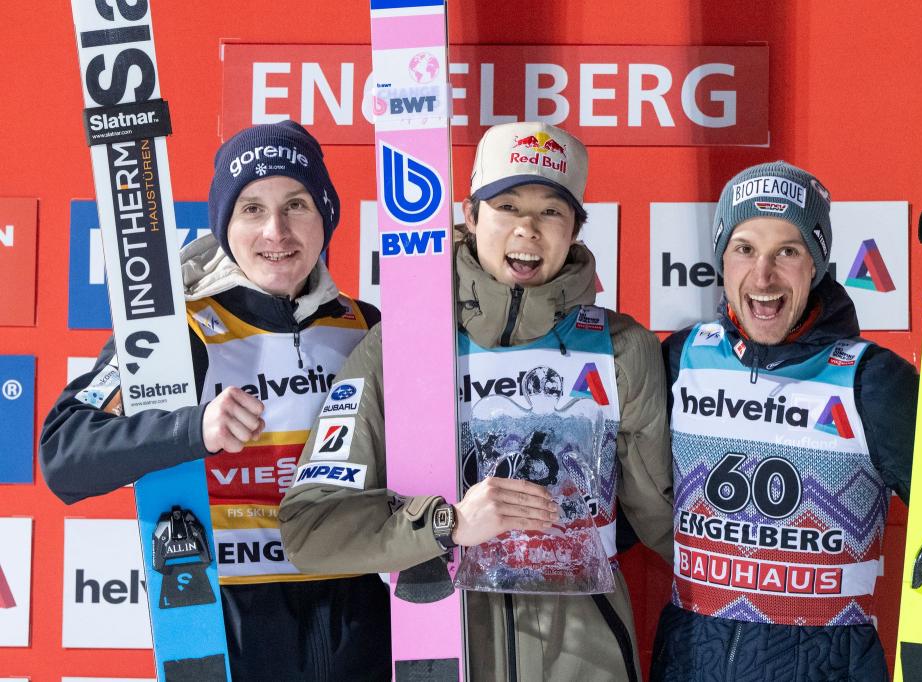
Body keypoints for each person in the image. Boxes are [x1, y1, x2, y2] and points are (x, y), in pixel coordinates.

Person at [279, 121, 674, 680]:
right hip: (440, 647)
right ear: (470, 215)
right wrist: (445, 525)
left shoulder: (621, 347)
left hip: (589, 658)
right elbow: (310, 530)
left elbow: (669, 524)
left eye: (551, 211)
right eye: (507, 205)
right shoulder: (405, 345)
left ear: (576, 229)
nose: (528, 229)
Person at [40, 121, 389, 681]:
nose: (276, 230)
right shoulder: (178, 330)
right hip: (231, 621)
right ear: (225, 223)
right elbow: (65, 456)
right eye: (251, 208)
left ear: (326, 216)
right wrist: (192, 429)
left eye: (296, 204)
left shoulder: (364, 325)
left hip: (356, 615)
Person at [652, 161, 922, 681]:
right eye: (745, 248)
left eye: (788, 251)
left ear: (817, 263)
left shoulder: (873, 380)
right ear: (722, 259)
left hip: (825, 664)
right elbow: (624, 498)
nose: (763, 275)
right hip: (689, 659)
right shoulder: (682, 358)